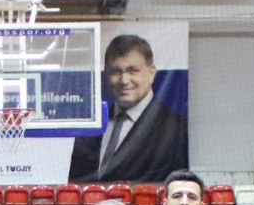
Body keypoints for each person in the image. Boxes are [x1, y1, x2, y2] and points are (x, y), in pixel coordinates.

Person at [68, 33, 189, 183]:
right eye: (116, 71)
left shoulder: (177, 129)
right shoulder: (91, 126)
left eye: (133, 70)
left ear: (151, 73)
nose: (124, 80)